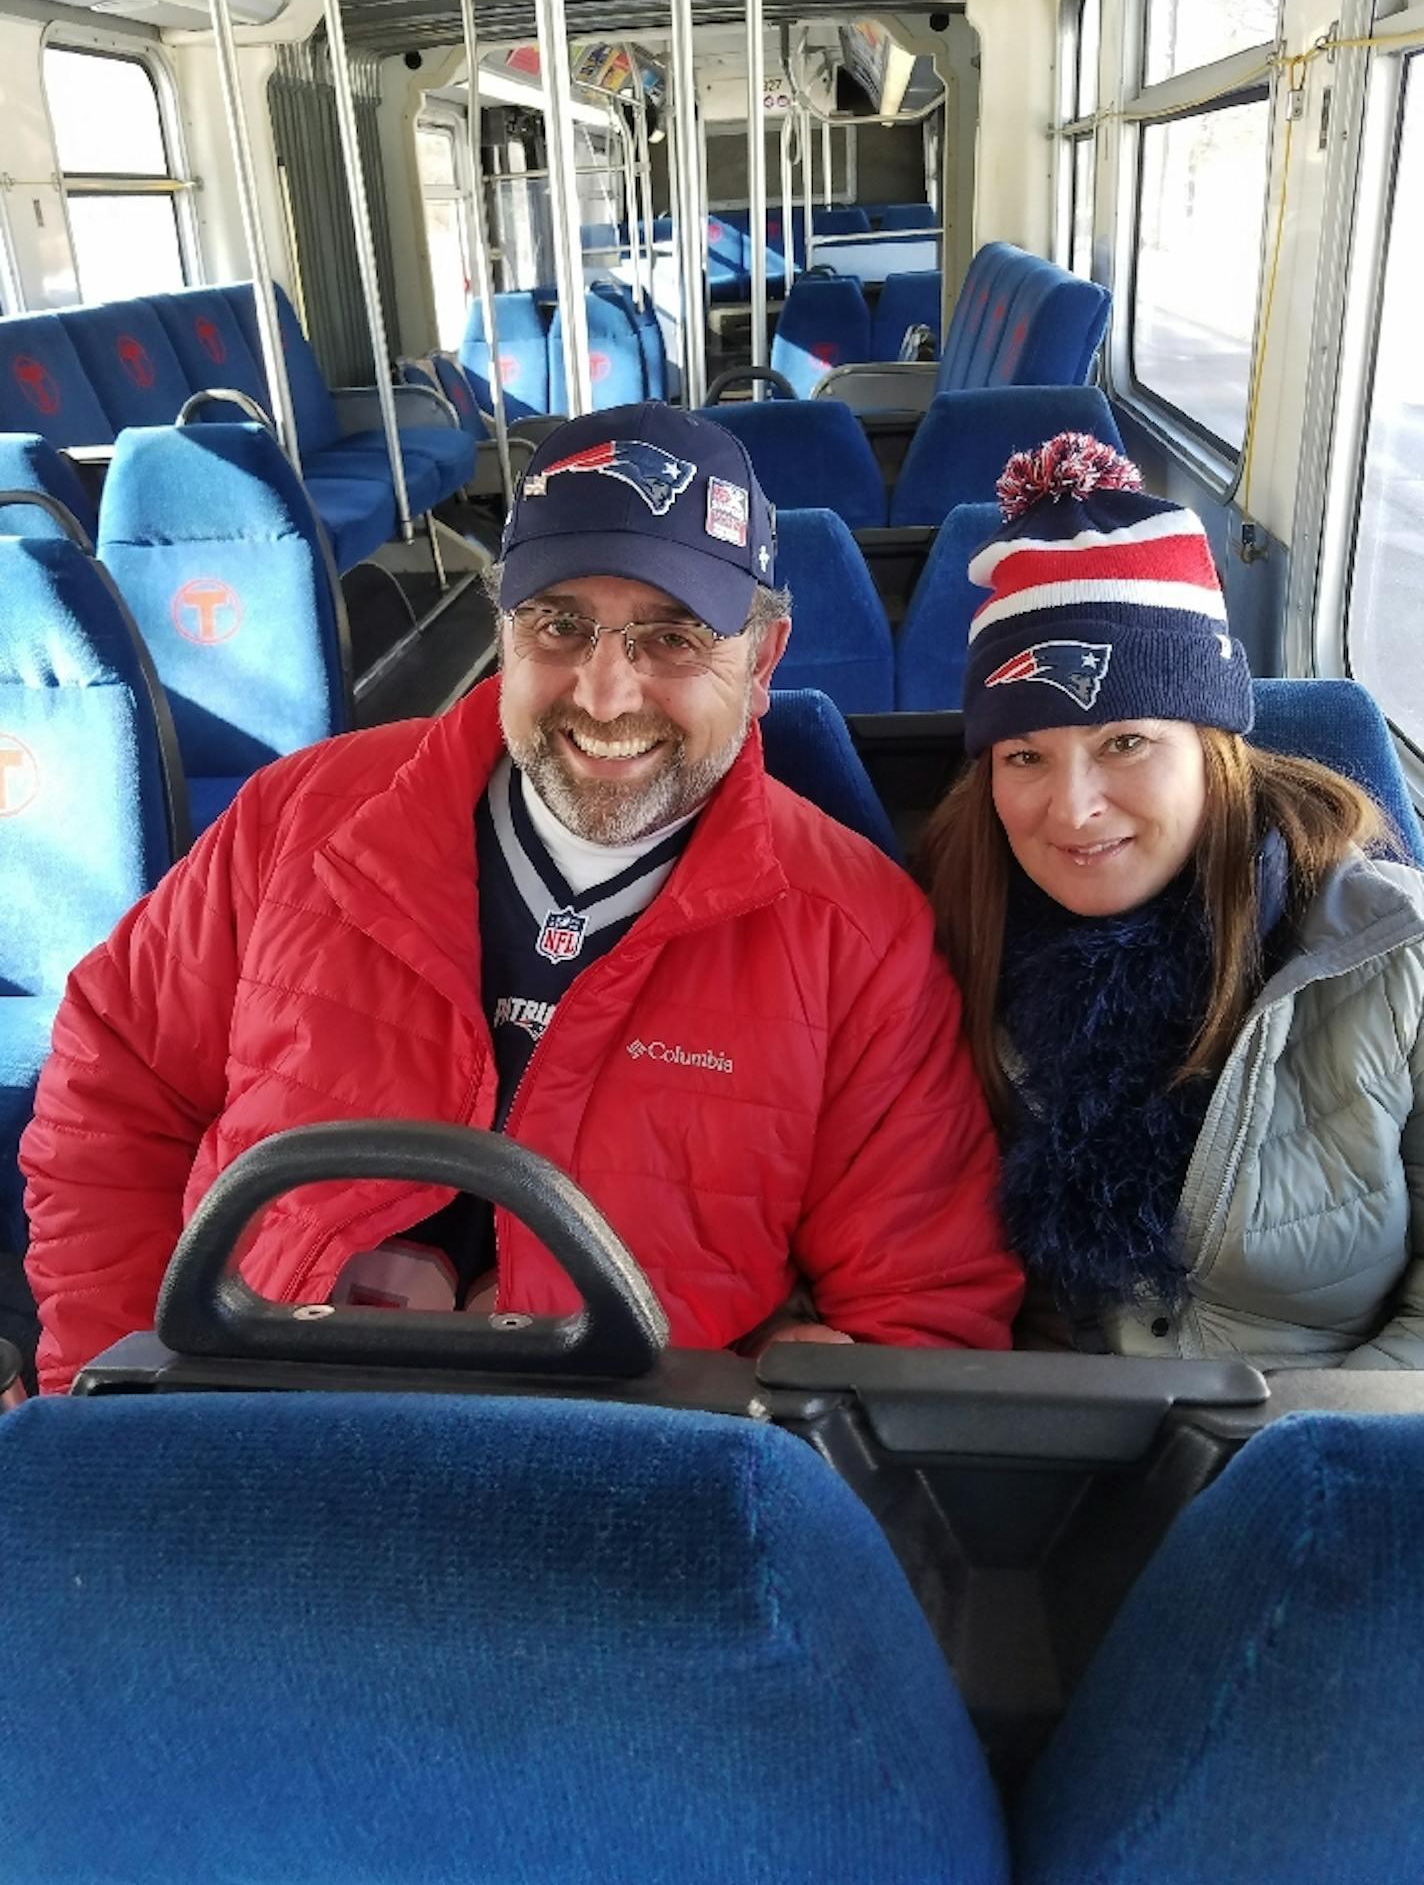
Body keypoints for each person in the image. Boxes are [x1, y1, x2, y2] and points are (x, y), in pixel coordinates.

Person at [21, 401, 1021, 1393]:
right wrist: (107, 1394)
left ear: (761, 662)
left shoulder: (860, 937)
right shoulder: (295, 820)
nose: (604, 693)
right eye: (559, 625)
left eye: (671, 638)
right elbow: (110, 1103)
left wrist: (804, 1419)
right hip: (258, 1438)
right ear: (503, 631)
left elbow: (923, 1306)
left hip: (625, 1485)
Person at [925, 431, 1424, 1369]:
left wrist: (1280, 1467)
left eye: (1126, 743)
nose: (1072, 809)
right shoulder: (937, 941)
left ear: (1214, 744)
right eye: (1025, 755)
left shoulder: (1391, 952)